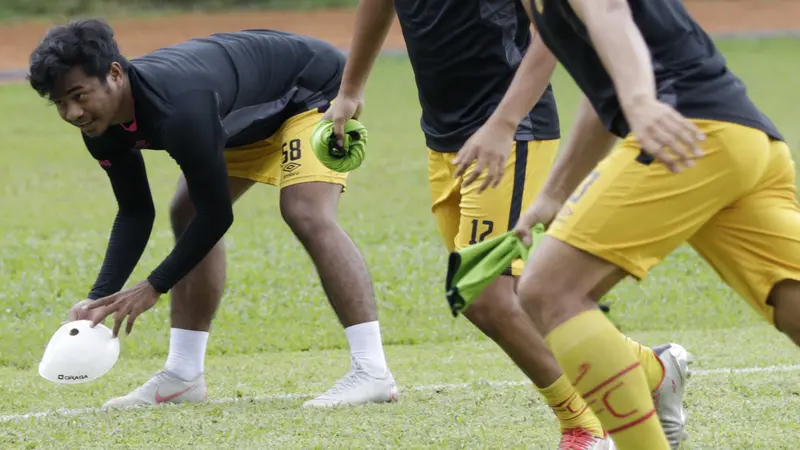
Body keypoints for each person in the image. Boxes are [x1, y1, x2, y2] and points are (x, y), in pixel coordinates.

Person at [324, 0, 690, 447]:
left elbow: (551, 32)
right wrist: (350, 89)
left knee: (483, 294)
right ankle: (650, 369)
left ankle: (585, 426)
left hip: (511, 134)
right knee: (517, 299)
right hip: (444, 137)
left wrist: (505, 122)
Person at [458, 0, 800, 448]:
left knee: (549, 289)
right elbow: (604, 89)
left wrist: (641, 100)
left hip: (684, 128)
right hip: (738, 138)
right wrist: (554, 193)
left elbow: (609, 9)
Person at [27, 19, 398, 409]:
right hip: (241, 117)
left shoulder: (178, 108)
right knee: (185, 211)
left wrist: (152, 287)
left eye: (78, 95)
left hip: (310, 91)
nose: (72, 113)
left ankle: (372, 370)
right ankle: (183, 377)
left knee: (304, 210)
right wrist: (98, 300)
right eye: (59, 103)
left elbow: (218, 214)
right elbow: (135, 211)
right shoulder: (100, 126)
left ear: (115, 74)